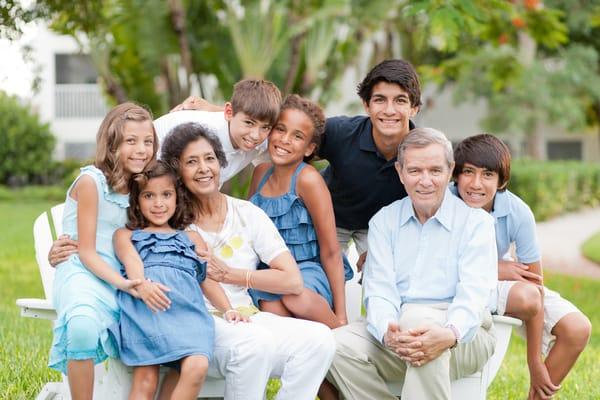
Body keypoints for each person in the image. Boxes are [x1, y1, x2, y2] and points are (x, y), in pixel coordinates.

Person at [171, 59, 422, 270]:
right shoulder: (342, 133)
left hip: (380, 226)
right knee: (322, 274)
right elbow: (284, 130)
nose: (389, 110)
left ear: (414, 108)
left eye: (400, 101)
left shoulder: (422, 151)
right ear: (367, 105)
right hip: (331, 217)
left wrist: (385, 250)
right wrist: (217, 111)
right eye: (380, 100)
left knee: (391, 274)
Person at [158, 122, 335, 399]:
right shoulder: (171, 223)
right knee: (255, 342)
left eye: (209, 158)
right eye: (191, 162)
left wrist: (230, 275)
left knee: (319, 339)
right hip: (202, 328)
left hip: (247, 319)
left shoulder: (247, 213)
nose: (204, 168)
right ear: (178, 172)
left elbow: (292, 279)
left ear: (220, 163)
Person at [323, 127, 498, 400]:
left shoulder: (476, 223)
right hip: (399, 331)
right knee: (331, 345)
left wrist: (449, 333)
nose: (425, 181)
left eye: (435, 171)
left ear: (450, 170)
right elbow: (379, 289)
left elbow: (473, 295)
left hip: (464, 336)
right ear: (400, 173)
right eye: (415, 171)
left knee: (420, 325)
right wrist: (386, 331)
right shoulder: (384, 221)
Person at [452, 133, 592, 400]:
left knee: (577, 328)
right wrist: (496, 268)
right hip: (461, 279)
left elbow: (534, 285)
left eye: (488, 175)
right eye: (467, 172)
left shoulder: (517, 211)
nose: (475, 184)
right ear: (455, 175)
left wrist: (534, 362)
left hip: (504, 284)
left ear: (502, 181)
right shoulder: (443, 202)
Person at [108, 160, 246, 400]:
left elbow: (205, 280)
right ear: (137, 202)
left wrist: (228, 309)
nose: (158, 203)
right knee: (146, 379)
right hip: (146, 310)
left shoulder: (191, 237)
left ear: (177, 198)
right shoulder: (127, 235)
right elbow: (131, 262)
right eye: (149, 195)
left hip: (188, 313)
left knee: (196, 365)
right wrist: (143, 284)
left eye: (166, 194)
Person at [48, 103, 157, 399]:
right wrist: (124, 283)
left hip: (125, 276)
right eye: (131, 141)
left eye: (148, 141)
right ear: (112, 144)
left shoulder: (142, 186)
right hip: (84, 271)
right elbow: (87, 251)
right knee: (82, 327)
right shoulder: (91, 182)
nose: (142, 149)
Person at [247, 94, 354, 328]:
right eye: (280, 130)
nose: (285, 140)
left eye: (297, 136)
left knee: (295, 296)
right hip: (270, 271)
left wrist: (342, 313)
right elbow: (248, 232)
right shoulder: (260, 174)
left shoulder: (308, 180)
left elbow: (331, 251)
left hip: (306, 270)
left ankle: (338, 332)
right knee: (271, 307)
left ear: (309, 148)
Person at [153, 78, 281, 185]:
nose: (255, 136)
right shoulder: (198, 134)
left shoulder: (261, 140)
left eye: (265, 127)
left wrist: (213, 108)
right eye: (249, 123)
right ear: (229, 112)